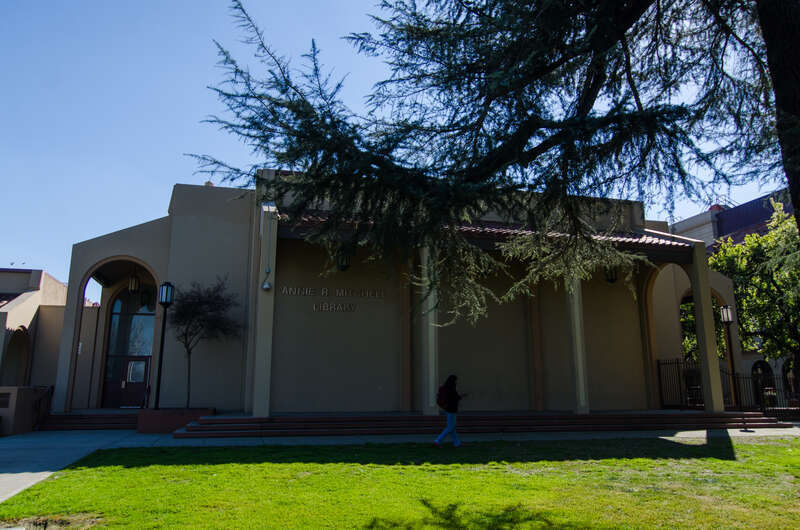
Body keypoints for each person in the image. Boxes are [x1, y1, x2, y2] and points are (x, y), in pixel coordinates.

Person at [434, 374, 464, 447]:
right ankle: (438, 440)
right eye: (456, 380)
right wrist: (461, 396)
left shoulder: (445, 387)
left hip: (447, 408)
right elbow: (455, 398)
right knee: (450, 427)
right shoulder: (452, 388)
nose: (456, 382)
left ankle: (457, 443)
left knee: (452, 427)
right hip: (452, 409)